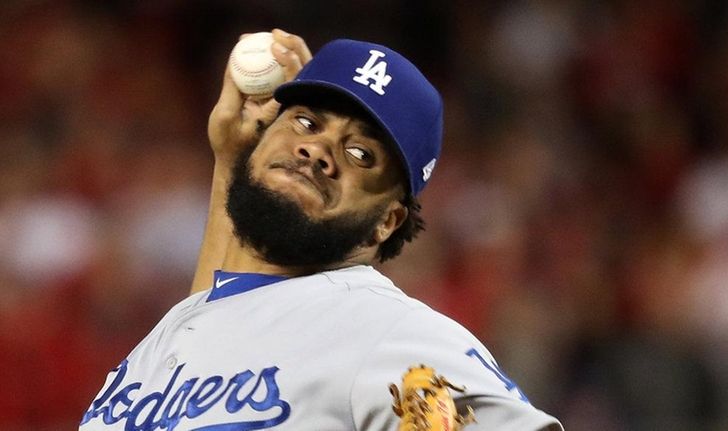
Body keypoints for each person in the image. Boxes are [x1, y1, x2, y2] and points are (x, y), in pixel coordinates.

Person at [79, 29, 563, 431]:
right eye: (307, 122)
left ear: (385, 222)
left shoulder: (388, 333)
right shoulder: (187, 324)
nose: (319, 150)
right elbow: (228, 313)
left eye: (360, 154)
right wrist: (231, 156)